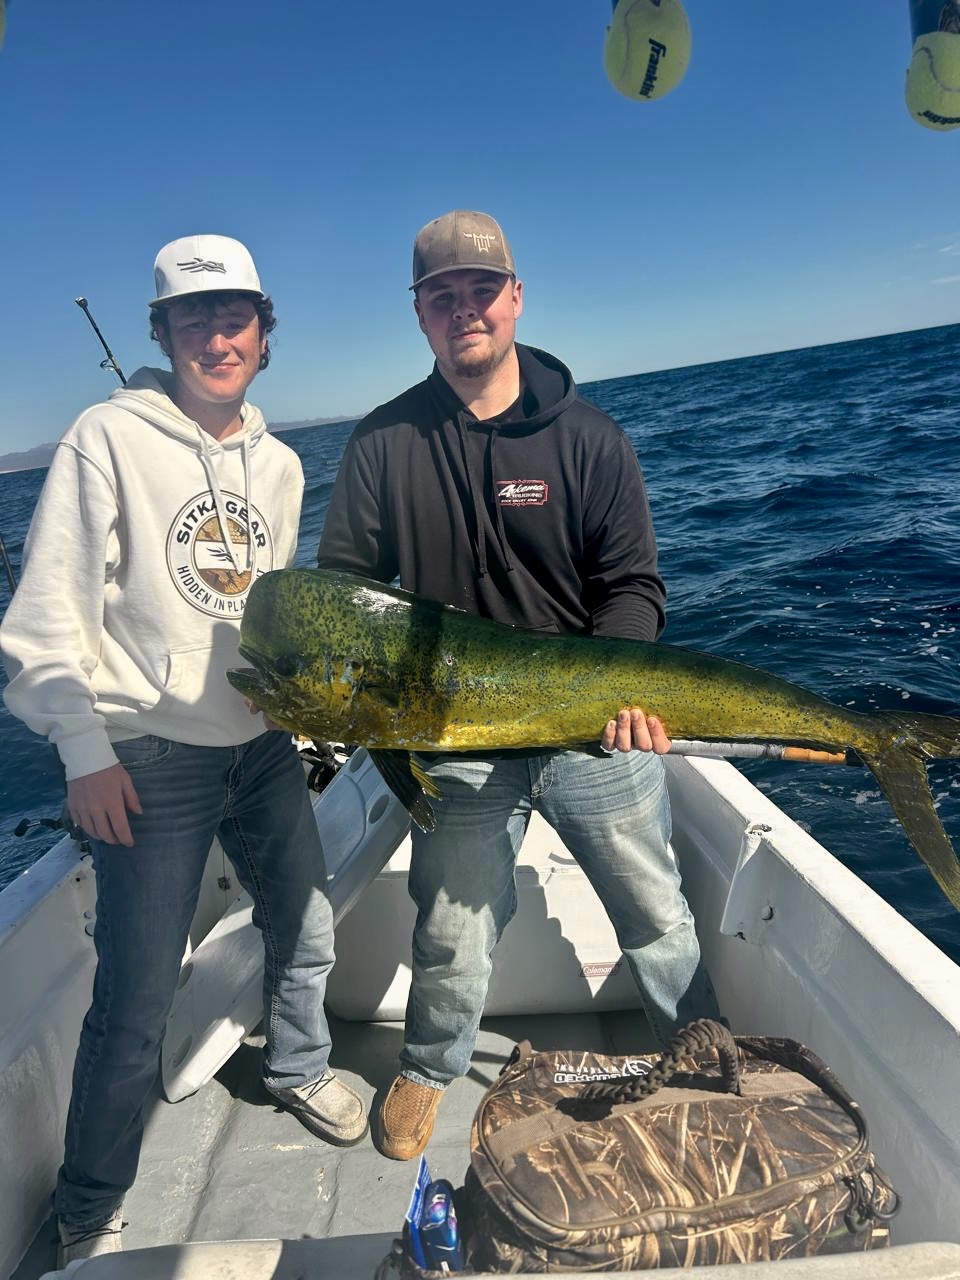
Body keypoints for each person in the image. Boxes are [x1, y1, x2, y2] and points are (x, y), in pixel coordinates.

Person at [317, 209, 721, 1162]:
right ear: (419, 315)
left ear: (516, 298)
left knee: (654, 912)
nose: (465, 310)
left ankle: (701, 1051)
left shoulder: (591, 439)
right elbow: (346, 596)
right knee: (451, 926)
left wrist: (623, 688)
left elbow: (634, 588)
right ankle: (428, 1065)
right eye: (442, 296)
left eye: (481, 291)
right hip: (455, 738)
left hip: (594, 737)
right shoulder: (382, 445)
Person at [1, 235, 366, 1265]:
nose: (218, 333)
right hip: (146, 752)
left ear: (264, 333)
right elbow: (45, 618)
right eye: (194, 316)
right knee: (137, 989)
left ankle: (299, 1064)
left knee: (306, 914)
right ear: (160, 331)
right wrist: (84, 749)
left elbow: (269, 618)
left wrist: (298, 700)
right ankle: (89, 1201)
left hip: (259, 739)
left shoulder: (285, 466)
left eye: (236, 315)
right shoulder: (105, 438)